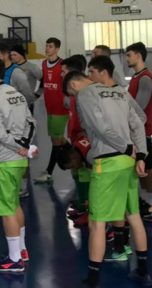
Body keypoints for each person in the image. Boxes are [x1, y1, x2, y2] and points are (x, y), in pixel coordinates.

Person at [63, 66, 152, 287]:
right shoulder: (120, 90)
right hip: (128, 163)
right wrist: (140, 154)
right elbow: (139, 120)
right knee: (133, 216)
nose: (74, 98)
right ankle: (143, 271)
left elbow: (99, 126)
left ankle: (93, 279)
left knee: (97, 223)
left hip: (108, 162)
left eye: (71, 94)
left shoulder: (84, 94)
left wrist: (124, 147)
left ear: (74, 85)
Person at [0, 57, 37, 274]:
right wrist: (25, 146)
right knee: (14, 204)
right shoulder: (17, 94)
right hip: (19, 161)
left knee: (6, 210)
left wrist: (18, 147)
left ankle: (14, 260)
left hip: (3, 161)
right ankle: (22, 250)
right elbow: (32, 123)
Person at [125, 42, 152, 218]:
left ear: (138, 55)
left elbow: (139, 107)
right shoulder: (136, 77)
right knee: (143, 165)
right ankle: (145, 200)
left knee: (148, 166)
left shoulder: (145, 78)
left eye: (129, 55)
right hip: (135, 131)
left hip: (142, 131)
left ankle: (150, 202)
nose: (127, 58)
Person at [60, 55, 91, 228]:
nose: (61, 74)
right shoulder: (73, 95)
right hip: (75, 137)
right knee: (78, 174)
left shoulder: (82, 96)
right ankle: (82, 205)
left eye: (64, 72)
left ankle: (88, 210)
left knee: (86, 175)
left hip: (82, 139)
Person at [35, 37, 69, 184]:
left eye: (50, 46)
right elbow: (44, 84)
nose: (47, 48)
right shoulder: (44, 64)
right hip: (49, 108)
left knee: (55, 141)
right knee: (57, 139)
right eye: (46, 45)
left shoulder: (62, 65)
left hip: (60, 109)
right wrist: (35, 95)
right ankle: (77, 152)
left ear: (57, 49)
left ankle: (49, 172)